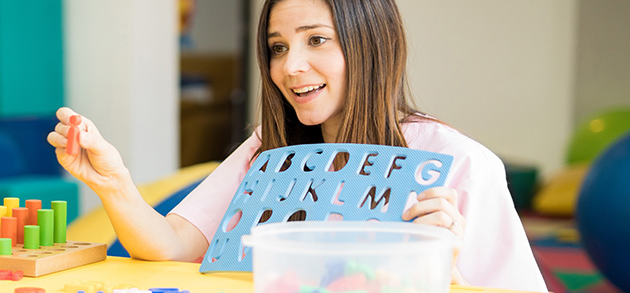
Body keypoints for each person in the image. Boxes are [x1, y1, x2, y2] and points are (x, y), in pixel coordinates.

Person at [46, 0, 546, 291]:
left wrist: (444, 263)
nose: (290, 67)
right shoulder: (269, 149)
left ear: (372, 44)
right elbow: (170, 245)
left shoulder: (457, 163)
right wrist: (112, 183)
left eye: (317, 40)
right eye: (278, 47)